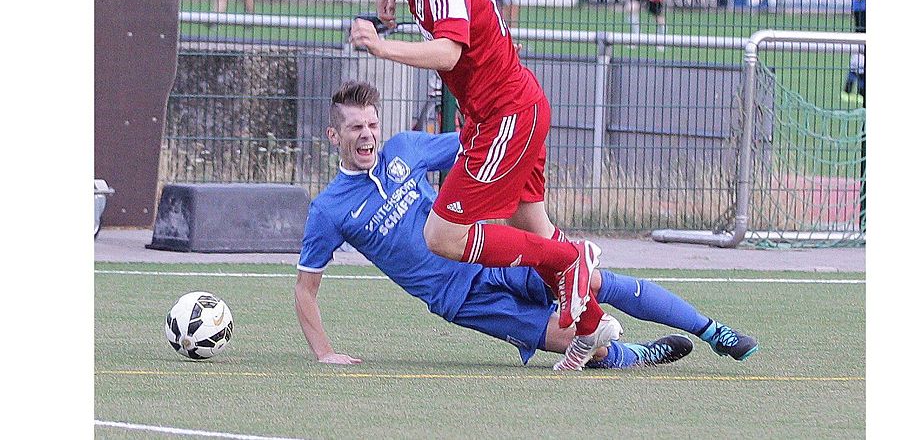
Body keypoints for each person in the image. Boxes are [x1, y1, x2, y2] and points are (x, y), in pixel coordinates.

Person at [294, 81, 759, 369]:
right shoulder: (329, 210)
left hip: (489, 252)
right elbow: (305, 289)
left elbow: (475, 143)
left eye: (372, 125)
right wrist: (324, 352)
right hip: (462, 299)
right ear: (335, 136)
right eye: (356, 128)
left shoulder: (406, 149)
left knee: (591, 280)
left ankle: (712, 330)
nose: (368, 135)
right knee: (576, 341)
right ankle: (637, 355)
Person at [348, 0, 611, 371]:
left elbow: (449, 53)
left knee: (442, 236)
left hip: (505, 117)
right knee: (529, 227)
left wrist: (379, 46)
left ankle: (574, 256)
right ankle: (591, 325)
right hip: (508, 111)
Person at [842, 0, 866, 104]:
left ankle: (850, 86)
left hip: (859, 4)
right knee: (864, 47)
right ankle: (860, 87)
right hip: (866, 4)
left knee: (861, 45)